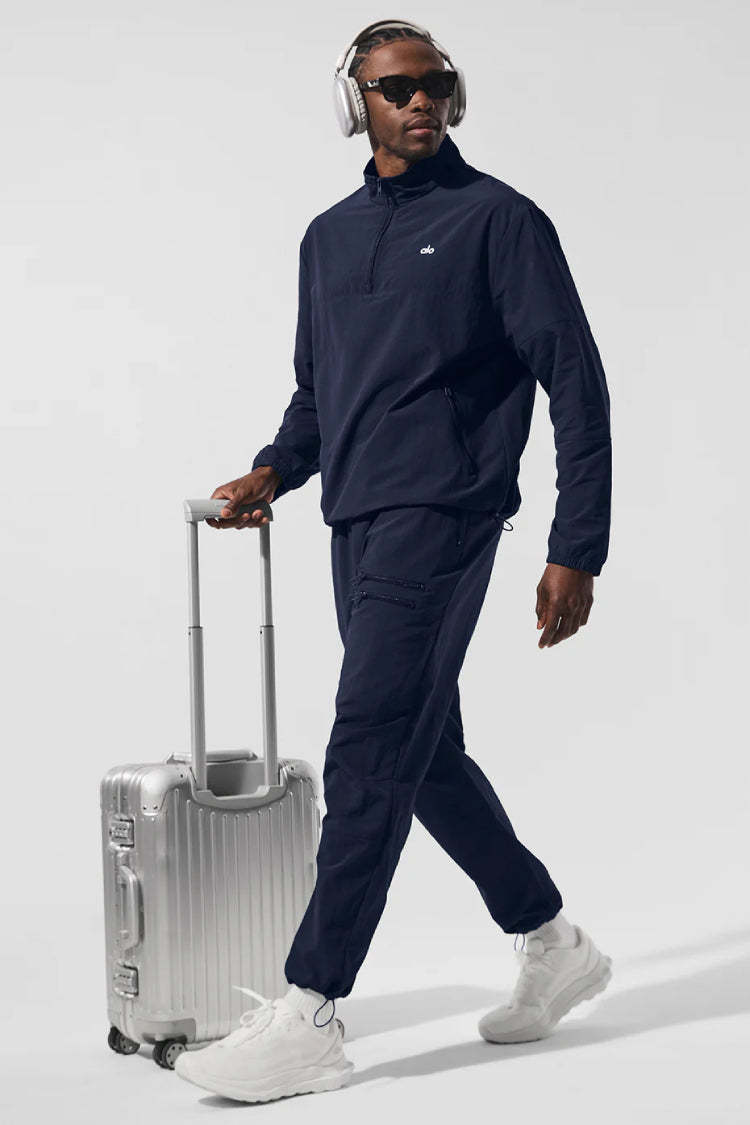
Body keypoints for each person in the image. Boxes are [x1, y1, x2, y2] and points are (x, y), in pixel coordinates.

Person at [175, 19, 613, 1105]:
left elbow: (576, 381)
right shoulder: (327, 238)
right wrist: (273, 472)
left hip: (446, 513)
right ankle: (551, 938)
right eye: (395, 87)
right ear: (355, 103)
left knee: (368, 741)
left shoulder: (499, 221)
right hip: (357, 518)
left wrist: (576, 546)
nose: (420, 101)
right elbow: (319, 395)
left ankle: (312, 1007)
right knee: (424, 752)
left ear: (455, 96)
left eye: (436, 83)